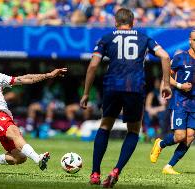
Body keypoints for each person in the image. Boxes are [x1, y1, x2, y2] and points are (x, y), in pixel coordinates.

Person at [80, 8, 172, 187]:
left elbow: (93, 66)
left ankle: (95, 173)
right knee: (133, 130)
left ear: (115, 22)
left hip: (112, 86)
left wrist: (85, 93)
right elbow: (165, 56)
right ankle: (116, 170)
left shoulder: (106, 38)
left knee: (105, 125)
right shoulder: (144, 37)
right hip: (135, 87)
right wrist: (166, 83)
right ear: (133, 23)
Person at [150, 30, 195, 174]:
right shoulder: (180, 58)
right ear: (190, 40)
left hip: (194, 104)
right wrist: (180, 86)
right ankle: (160, 143)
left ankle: (168, 166)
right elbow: (166, 76)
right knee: (180, 136)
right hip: (180, 102)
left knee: (190, 136)